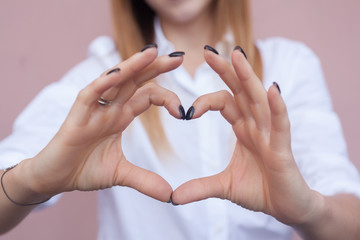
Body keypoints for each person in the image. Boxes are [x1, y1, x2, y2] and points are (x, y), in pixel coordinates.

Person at [1, 0, 360, 239]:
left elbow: (349, 212)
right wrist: (31, 180)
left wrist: (309, 210)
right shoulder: (99, 81)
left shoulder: (291, 67)